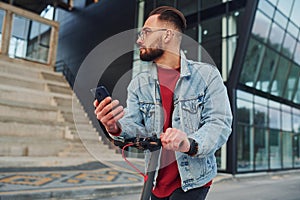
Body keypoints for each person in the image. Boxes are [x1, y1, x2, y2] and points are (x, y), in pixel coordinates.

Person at [94, 6, 232, 200]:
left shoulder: (207, 75)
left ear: (168, 35)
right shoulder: (138, 84)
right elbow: (137, 127)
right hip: (154, 178)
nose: (139, 40)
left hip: (193, 181)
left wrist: (188, 143)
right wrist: (115, 126)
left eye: (146, 32)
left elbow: (219, 123)